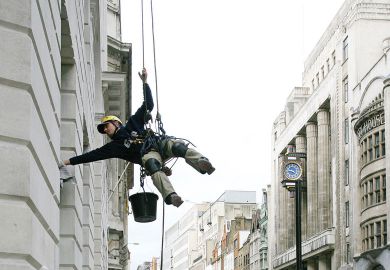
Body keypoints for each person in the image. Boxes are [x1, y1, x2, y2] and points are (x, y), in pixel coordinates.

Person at [59, 68, 215, 207]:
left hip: (158, 143)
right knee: (152, 164)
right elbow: (92, 155)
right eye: (104, 129)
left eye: (107, 126)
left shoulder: (133, 123)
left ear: (116, 123)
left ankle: (202, 163)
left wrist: (145, 83)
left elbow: (149, 104)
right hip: (149, 154)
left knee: (178, 147)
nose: (105, 130)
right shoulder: (115, 147)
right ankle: (171, 196)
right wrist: (68, 162)